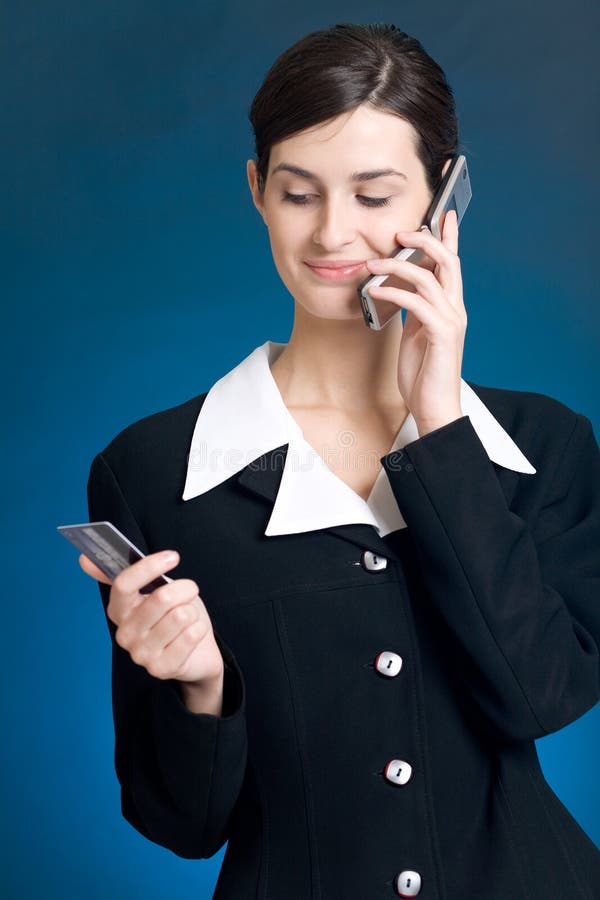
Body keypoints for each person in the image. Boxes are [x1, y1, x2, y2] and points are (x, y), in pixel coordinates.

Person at [79, 23, 600, 900]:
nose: (333, 233)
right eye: (298, 193)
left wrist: (439, 424)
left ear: (444, 197)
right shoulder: (152, 469)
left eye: (374, 194)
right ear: (256, 191)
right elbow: (181, 825)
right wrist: (201, 689)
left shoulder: (542, 446)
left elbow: (540, 697)